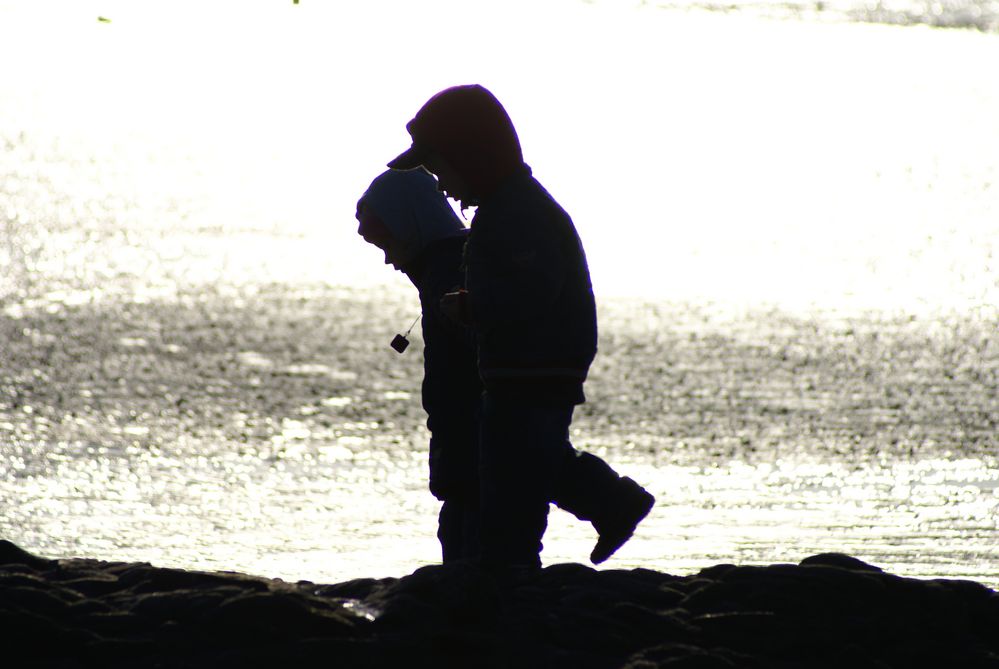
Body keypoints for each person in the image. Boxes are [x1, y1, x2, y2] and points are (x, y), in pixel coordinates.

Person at [386, 85, 655, 570]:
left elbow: (530, 292)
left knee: (520, 466)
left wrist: (472, 309)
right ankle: (533, 550)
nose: (442, 186)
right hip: (516, 369)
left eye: (442, 169)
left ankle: (596, 512)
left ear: (473, 156)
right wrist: (476, 303)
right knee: (527, 462)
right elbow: (519, 288)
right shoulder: (501, 212)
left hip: (537, 368)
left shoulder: (521, 213)